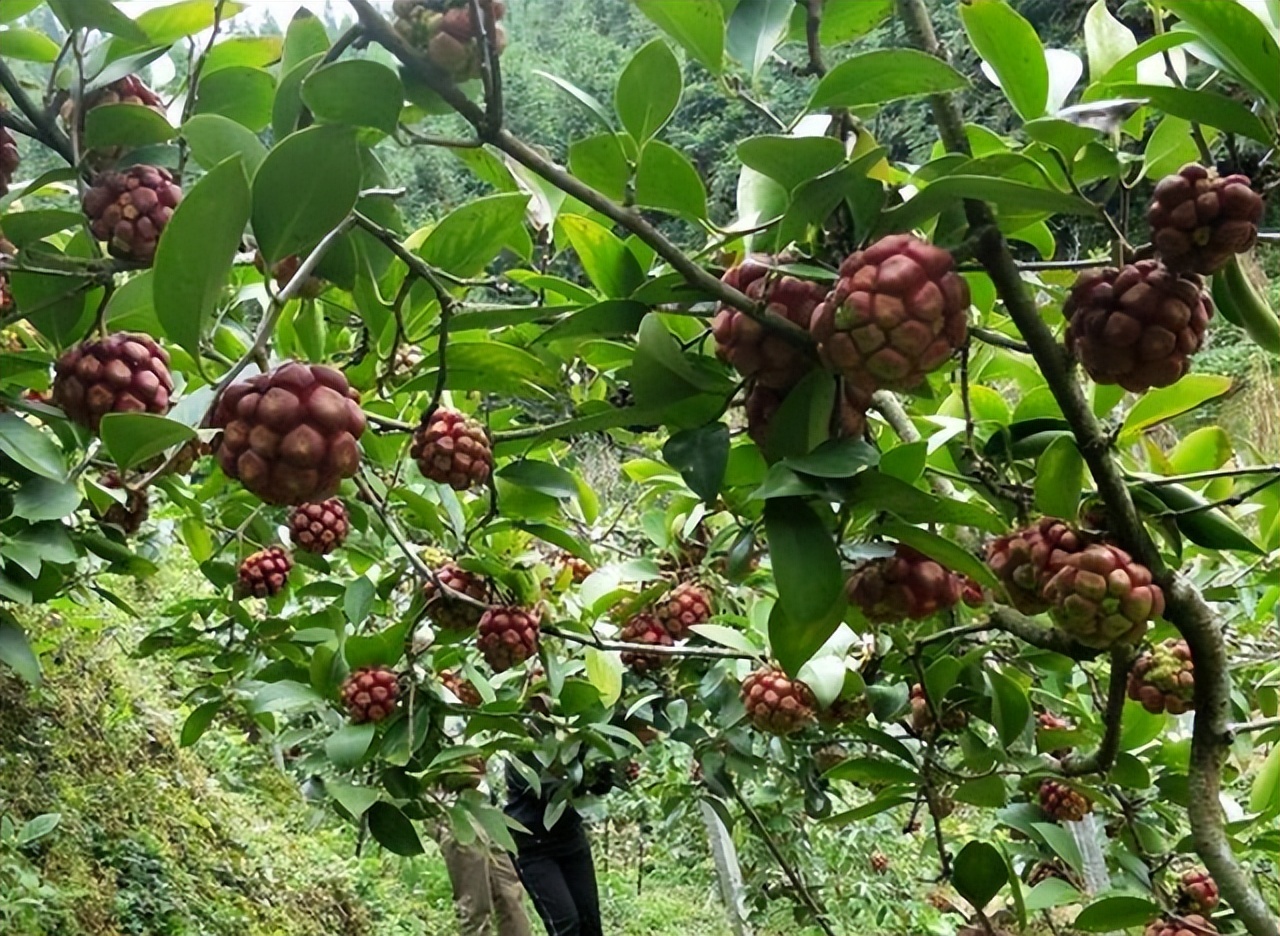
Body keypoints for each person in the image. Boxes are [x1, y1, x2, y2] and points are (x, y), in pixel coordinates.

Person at [503, 755, 614, 936]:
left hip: (571, 839)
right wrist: (586, 776)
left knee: (590, 921)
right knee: (566, 923)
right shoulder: (521, 752)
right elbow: (548, 791)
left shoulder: (577, 743)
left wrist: (611, 771)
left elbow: (597, 786)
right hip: (534, 848)